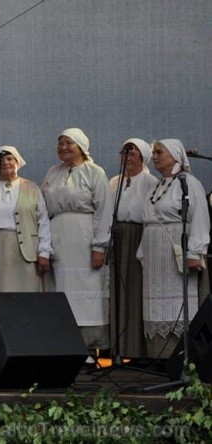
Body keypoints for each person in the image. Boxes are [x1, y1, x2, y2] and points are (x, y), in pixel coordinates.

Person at [41, 128, 111, 360]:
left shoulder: (94, 172)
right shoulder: (53, 172)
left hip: (84, 237)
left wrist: (99, 246)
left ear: (81, 146)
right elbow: (43, 208)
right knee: (61, 289)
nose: (63, 148)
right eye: (60, 144)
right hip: (59, 235)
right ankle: (65, 343)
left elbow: (104, 211)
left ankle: (89, 347)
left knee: (87, 291)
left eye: (69, 143)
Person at [137, 139, 209, 359]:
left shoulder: (189, 183)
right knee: (156, 305)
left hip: (175, 251)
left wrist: (194, 252)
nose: (155, 156)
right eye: (154, 153)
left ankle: (180, 357)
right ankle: (159, 356)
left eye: (160, 152)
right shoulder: (159, 185)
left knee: (179, 301)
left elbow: (199, 218)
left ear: (176, 156)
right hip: (155, 255)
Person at [0, 146, 52, 307]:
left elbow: (43, 222)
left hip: (25, 252)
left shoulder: (32, 188)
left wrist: (44, 252)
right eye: (0, 159)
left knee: (25, 299)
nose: (5, 162)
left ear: (17, 161)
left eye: (9, 158)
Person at [105, 139, 157, 359]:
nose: (127, 157)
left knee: (134, 291)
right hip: (116, 237)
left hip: (137, 237)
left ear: (143, 157)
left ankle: (137, 350)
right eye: (124, 152)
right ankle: (117, 350)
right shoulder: (114, 182)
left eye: (132, 153)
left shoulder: (149, 181)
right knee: (116, 291)